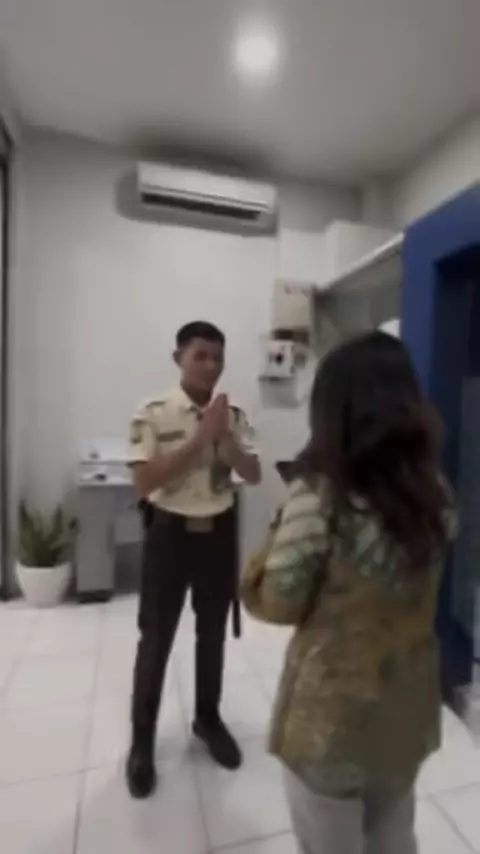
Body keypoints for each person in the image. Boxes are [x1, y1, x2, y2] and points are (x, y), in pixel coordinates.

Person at [241, 331, 453, 854]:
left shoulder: (320, 497)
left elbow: (276, 600)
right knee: (394, 834)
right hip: (406, 709)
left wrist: (279, 523)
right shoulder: (435, 495)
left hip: (331, 723)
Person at [126, 320, 261, 799]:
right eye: (200, 355)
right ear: (178, 358)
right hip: (169, 534)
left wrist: (227, 443)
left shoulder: (233, 415)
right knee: (156, 637)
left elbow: (253, 473)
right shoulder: (153, 412)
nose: (210, 366)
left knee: (213, 632)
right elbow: (144, 482)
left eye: (217, 357)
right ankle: (142, 741)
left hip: (218, 534)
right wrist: (201, 437)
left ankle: (207, 718)